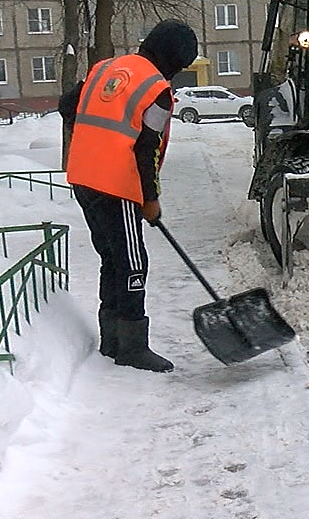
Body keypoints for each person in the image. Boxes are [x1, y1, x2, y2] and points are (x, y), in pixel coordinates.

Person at [59, 20, 199, 373]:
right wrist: (150, 199)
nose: (177, 74)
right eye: (180, 66)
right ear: (172, 58)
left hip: (82, 177)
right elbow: (147, 148)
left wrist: (92, 140)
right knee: (134, 261)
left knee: (112, 256)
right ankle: (133, 347)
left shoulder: (104, 68)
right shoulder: (157, 90)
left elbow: (66, 105)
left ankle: (112, 341)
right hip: (117, 184)